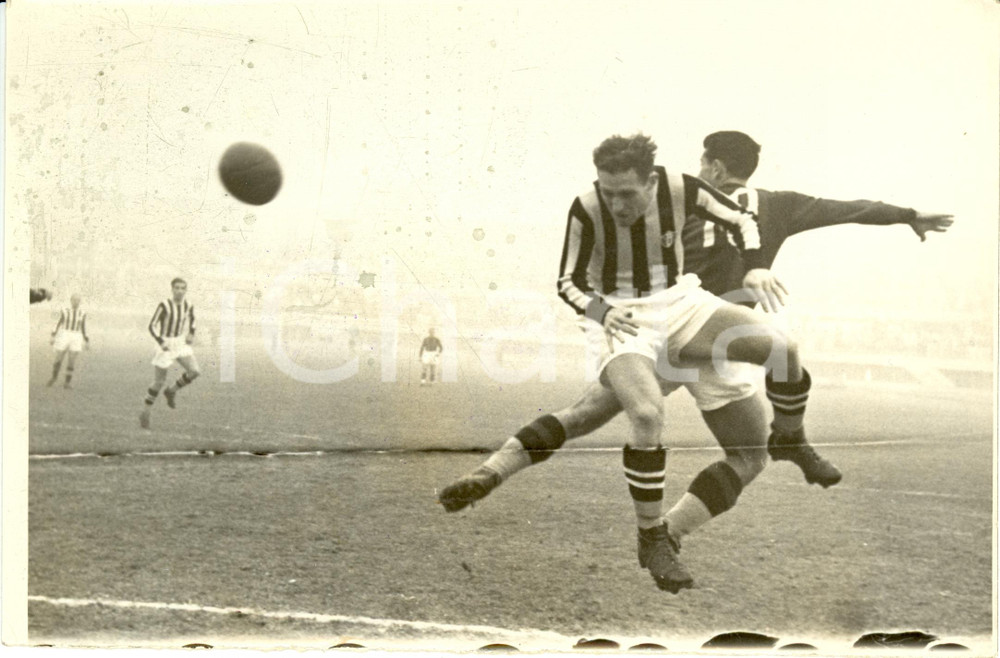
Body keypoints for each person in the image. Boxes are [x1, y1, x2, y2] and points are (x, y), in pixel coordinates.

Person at [439, 132, 952, 593]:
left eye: (627, 193)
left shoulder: (685, 190)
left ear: (664, 176)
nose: (617, 203)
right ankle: (640, 531)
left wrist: (755, 268)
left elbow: (747, 221)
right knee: (639, 415)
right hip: (628, 320)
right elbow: (567, 281)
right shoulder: (592, 208)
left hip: (691, 314)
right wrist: (602, 311)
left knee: (776, 364)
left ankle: (780, 444)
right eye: (608, 191)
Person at [139, 278, 200, 429]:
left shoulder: (188, 305)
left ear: (186, 290)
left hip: (179, 342)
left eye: (182, 288)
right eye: (177, 288)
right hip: (165, 344)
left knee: (194, 371)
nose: (179, 291)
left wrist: (191, 333)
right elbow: (152, 325)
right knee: (159, 381)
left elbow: (193, 320)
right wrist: (161, 341)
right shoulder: (164, 305)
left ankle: (171, 391)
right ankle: (145, 413)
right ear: (172, 289)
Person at [47, 293, 89, 389]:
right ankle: (54, 377)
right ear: (71, 301)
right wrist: (53, 336)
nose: (76, 302)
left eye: (78, 300)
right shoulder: (65, 311)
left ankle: (67, 383)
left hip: (76, 336)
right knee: (59, 358)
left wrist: (86, 340)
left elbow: (83, 327)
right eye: (74, 300)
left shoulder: (82, 313)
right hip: (64, 334)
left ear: (80, 302)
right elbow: (57, 324)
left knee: (71, 360)